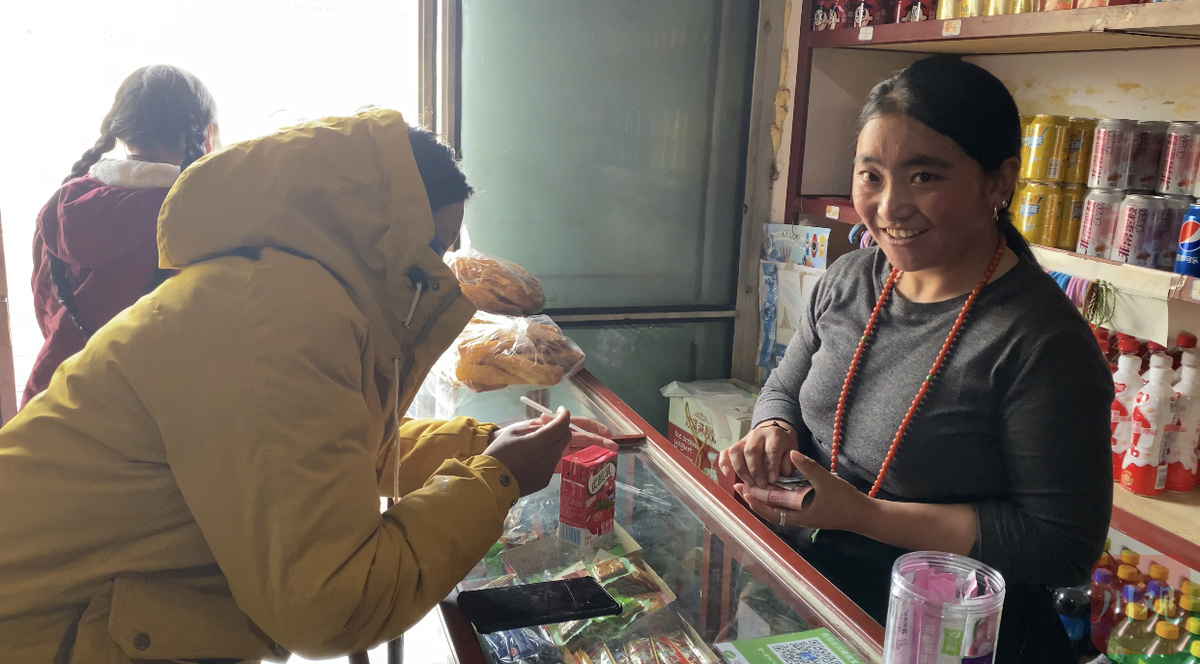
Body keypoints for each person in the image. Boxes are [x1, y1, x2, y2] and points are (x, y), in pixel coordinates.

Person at [0, 109, 614, 662]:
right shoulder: (278, 316)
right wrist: (496, 478)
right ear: (377, 233)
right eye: (432, 249)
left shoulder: (280, 288)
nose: (439, 275)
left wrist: (484, 443)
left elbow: (332, 452)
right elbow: (332, 606)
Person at [719, 56, 1112, 663]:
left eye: (924, 176)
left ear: (998, 183)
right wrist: (773, 430)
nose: (889, 206)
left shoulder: (1041, 342)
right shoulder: (850, 279)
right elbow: (784, 388)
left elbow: (1061, 545)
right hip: (815, 599)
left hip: (953, 637)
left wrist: (865, 516)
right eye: (871, 175)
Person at [23, 64, 219, 406]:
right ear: (206, 135)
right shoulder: (205, 218)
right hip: (150, 414)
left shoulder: (62, 205)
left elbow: (46, 305)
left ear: (122, 134)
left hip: (53, 400)